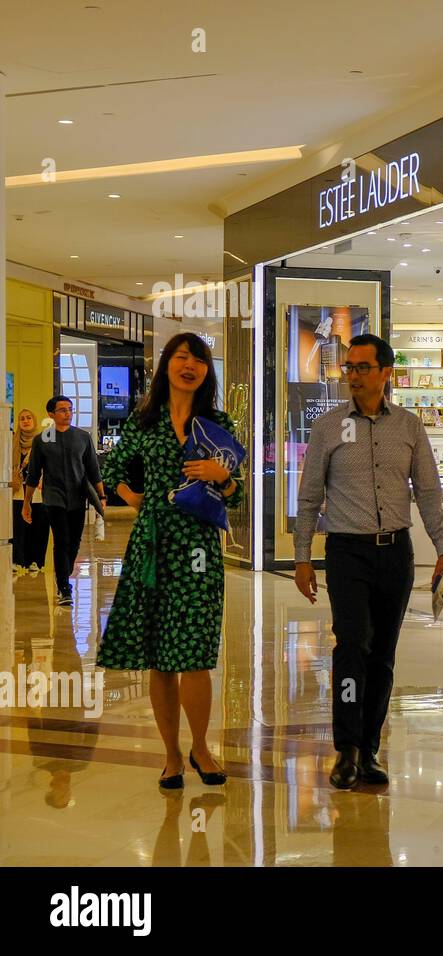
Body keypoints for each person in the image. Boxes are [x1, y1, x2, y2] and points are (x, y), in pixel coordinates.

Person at [293, 333, 443, 790]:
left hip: (395, 554)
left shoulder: (408, 427)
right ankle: (345, 749)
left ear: (386, 373)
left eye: (363, 367)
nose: (354, 376)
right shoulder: (328, 427)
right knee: (351, 647)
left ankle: (369, 749)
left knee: (382, 656)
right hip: (347, 552)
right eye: (349, 368)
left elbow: (428, 493)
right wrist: (303, 557)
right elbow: (309, 498)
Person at [97, 333, 242, 789]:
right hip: (154, 544)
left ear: (206, 371)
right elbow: (111, 469)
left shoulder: (217, 422)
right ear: (166, 366)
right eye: (182, 357)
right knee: (160, 657)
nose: (190, 365)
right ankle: (171, 755)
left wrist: (224, 478)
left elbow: (233, 497)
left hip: (199, 546)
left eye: (198, 360)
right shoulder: (145, 421)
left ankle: (201, 746)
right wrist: (132, 498)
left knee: (196, 653)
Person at [22, 396, 105, 605]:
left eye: (70, 409)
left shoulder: (82, 438)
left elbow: (94, 471)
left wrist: (101, 497)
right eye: (62, 410)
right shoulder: (42, 440)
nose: (67, 413)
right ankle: (64, 588)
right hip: (54, 497)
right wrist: (27, 503)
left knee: (74, 542)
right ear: (51, 414)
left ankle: (64, 574)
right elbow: (33, 474)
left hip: (78, 498)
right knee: (62, 540)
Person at [11, 409, 51, 575]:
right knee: (18, 527)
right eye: (22, 419)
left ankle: (36, 561)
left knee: (39, 527)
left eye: (28, 418)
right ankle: (17, 560)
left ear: (34, 421)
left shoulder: (42, 441)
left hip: (38, 491)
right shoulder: (13, 443)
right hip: (18, 491)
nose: (25, 421)